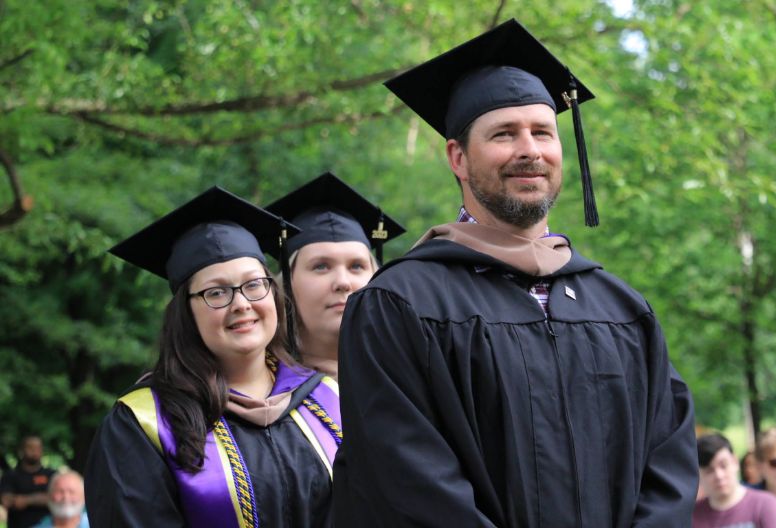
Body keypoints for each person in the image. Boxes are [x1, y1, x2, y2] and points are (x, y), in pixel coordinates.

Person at [332, 19, 698, 527]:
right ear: (458, 157)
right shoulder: (400, 304)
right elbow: (406, 482)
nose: (530, 150)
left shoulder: (621, 310)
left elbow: (669, 466)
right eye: (504, 134)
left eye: (542, 132)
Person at [84, 186, 339, 527]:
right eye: (216, 292)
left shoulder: (327, 400)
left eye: (254, 285)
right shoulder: (144, 425)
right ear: (185, 314)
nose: (241, 304)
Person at [264, 172, 404, 377]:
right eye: (321, 266)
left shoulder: (409, 374)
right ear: (286, 285)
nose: (343, 282)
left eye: (356, 266)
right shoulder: (262, 391)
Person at [693, 433, 776, 528]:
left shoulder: (765, 505)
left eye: (723, 465)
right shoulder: (692, 515)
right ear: (698, 474)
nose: (719, 475)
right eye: (709, 470)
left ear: (735, 462)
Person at [0, 436, 56, 528]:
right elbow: (5, 500)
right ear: (22, 450)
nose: (34, 451)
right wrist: (41, 498)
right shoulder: (10, 475)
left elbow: (55, 498)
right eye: (30, 447)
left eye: (38, 448)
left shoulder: (51, 475)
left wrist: (27, 500)